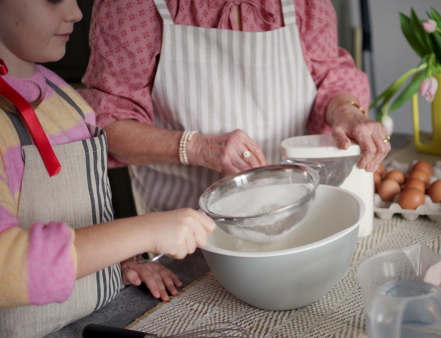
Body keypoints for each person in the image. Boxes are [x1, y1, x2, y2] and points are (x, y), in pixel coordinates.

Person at [0, 1, 216, 337]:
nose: (75, 12)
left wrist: (121, 260)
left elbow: (78, 212)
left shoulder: (64, 96)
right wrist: (144, 231)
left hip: (95, 316)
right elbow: (5, 268)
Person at [80, 0, 391, 216]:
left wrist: (348, 113)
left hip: (293, 210)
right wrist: (197, 147)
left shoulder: (302, 4)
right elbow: (109, 126)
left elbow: (329, 79)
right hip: (183, 232)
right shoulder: (135, 6)